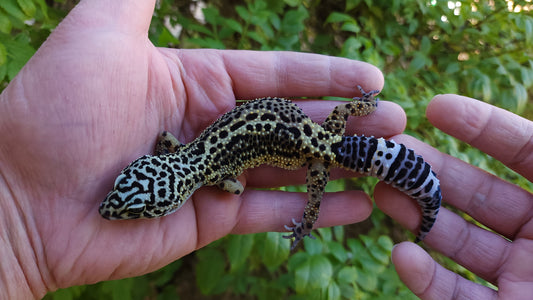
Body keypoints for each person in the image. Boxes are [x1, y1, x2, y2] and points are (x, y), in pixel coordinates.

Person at [0, 0, 531, 299]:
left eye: (130, 198)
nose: (116, 204)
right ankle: (418, 189)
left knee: (333, 179)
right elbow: (187, 155)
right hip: (318, 136)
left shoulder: (206, 174)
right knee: (352, 154)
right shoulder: (177, 152)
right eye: (131, 199)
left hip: (317, 147)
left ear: (164, 183)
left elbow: (230, 182)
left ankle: (423, 197)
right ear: (157, 169)